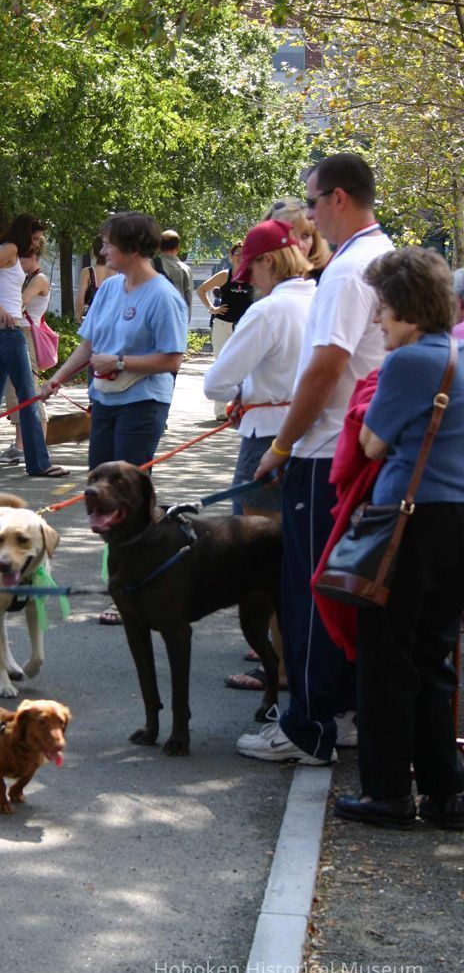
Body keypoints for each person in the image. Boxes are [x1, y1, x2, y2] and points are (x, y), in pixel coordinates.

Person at [237, 152, 393, 765]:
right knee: (345, 587)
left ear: (338, 199)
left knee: (308, 592)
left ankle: (307, 726)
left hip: (326, 449)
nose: (306, 217)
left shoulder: (349, 269)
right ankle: (342, 712)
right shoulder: (381, 258)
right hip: (357, 448)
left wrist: (280, 446)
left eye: (311, 201)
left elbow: (327, 367)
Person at [332, 248, 464, 830]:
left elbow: (372, 445)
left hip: (407, 522)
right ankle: (445, 792)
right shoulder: (459, 355)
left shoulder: (408, 364)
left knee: (386, 660)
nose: (378, 321)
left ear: (407, 310)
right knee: (434, 656)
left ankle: (387, 792)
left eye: (383, 309)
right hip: (457, 521)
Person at [40, 211, 188, 624]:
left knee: (130, 500)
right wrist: (56, 380)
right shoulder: (108, 289)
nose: (102, 249)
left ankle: (135, 587)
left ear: (132, 247)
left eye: (108, 243)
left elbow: (173, 359)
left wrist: (122, 362)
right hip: (104, 402)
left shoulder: (162, 296)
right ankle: (122, 581)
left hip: (143, 405)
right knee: (103, 497)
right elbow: (89, 345)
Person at [203, 220, 315, 694]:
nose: (248, 278)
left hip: (266, 440)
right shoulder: (320, 299)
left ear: (270, 261)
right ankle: (304, 664)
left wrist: (245, 393)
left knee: (265, 563)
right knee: (302, 555)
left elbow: (215, 382)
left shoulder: (269, 312)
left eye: (252, 268)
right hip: (312, 437)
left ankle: (283, 669)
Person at [0, 214, 68, 478]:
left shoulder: (4, 250)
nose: (36, 244)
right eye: (33, 238)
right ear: (24, 234)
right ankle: (39, 463)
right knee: (28, 398)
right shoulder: (10, 249)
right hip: (9, 332)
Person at [0, 249, 51, 465]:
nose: (18, 262)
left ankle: (36, 443)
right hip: (19, 332)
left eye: (23, 258)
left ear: (35, 256)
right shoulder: (28, 277)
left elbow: (20, 302)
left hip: (27, 334)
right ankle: (20, 444)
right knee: (14, 391)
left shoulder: (39, 279)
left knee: (30, 390)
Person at [196, 244, 253, 418]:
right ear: (230, 256)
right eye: (237, 254)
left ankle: (242, 408)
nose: (240, 257)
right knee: (221, 365)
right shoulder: (224, 275)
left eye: (244, 254)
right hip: (223, 325)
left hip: (244, 327)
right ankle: (221, 411)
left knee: (244, 367)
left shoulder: (253, 276)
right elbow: (201, 290)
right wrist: (212, 308)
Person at [266, 195, 331, 281]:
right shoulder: (253, 280)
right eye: (288, 236)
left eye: (305, 236)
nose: (299, 244)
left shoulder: (328, 279)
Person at [75, 235, 111, 323]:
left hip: (93, 321)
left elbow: (80, 300)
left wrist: (79, 319)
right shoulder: (118, 272)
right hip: (112, 321)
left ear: (93, 251)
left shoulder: (88, 272)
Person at [156, 229, 192, 311]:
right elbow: (188, 300)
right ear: (177, 248)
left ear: (159, 247)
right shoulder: (185, 269)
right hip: (176, 318)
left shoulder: (150, 265)